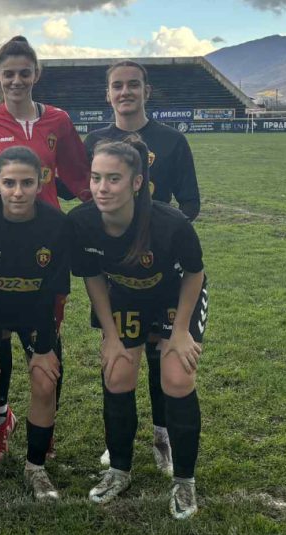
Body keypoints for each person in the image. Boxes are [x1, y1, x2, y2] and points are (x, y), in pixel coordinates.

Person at [0, 36, 91, 462]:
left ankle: (44, 434)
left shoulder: (58, 120)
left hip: (46, 244)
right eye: (8, 74)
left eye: (24, 72)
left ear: (36, 74)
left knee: (47, 339)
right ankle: (1, 422)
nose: (16, 80)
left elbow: (80, 176)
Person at [67, 136, 207, 520]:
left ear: (137, 182)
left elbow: (194, 274)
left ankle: (184, 480)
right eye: (96, 178)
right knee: (117, 372)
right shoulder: (81, 222)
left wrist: (180, 331)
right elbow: (93, 278)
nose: (102, 187)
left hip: (174, 298)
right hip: (125, 298)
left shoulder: (170, 223)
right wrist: (110, 337)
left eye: (113, 179)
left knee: (176, 377)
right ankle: (119, 470)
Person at [83, 60, 202, 475]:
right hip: (120, 272)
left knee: (163, 354)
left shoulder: (171, 140)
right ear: (108, 94)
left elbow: (190, 202)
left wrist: (156, 234)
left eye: (133, 84)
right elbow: (87, 195)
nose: (125, 91)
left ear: (146, 91)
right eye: (117, 85)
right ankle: (117, 447)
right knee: (119, 357)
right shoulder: (95, 140)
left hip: (163, 265)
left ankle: (162, 435)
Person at [0, 146, 69, 504]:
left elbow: (53, 292)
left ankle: (35, 467)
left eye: (27, 183)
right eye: (9, 183)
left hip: (35, 312)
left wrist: (44, 349)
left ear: (41, 183)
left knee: (45, 381)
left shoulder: (56, 225)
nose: (18, 191)